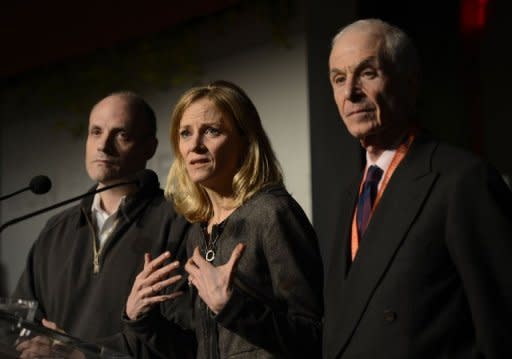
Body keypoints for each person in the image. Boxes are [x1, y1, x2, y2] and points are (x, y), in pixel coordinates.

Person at [322, 18, 512, 359]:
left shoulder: (462, 180)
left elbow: (501, 329)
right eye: (339, 78)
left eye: (367, 73)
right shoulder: (348, 195)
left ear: (409, 82)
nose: (350, 92)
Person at [124, 80, 323, 358]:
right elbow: (196, 349)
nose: (195, 145)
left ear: (245, 140)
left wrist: (233, 308)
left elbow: (314, 335)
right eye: (185, 134)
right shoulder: (197, 231)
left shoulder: (272, 214)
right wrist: (141, 319)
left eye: (212, 131)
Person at [13, 91, 188, 356]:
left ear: (149, 148)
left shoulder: (177, 221)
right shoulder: (56, 230)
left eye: (121, 135)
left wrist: (80, 354)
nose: (103, 146)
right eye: (96, 132)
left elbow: (184, 335)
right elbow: (20, 322)